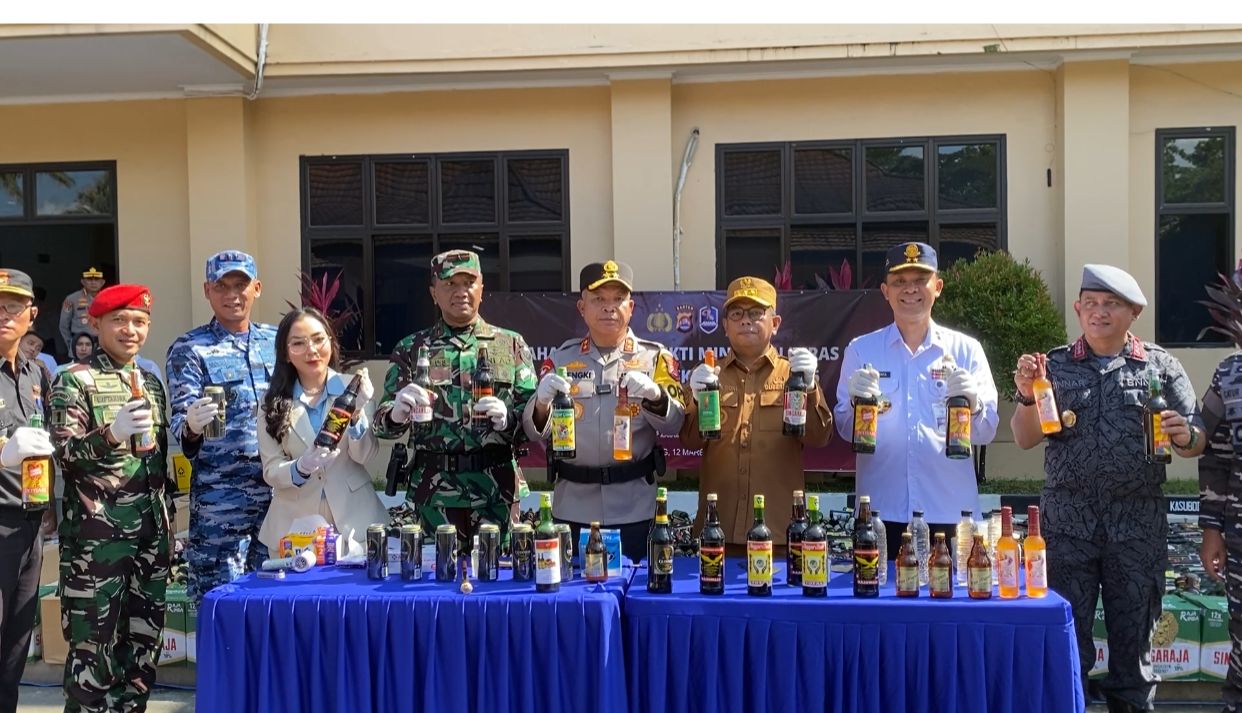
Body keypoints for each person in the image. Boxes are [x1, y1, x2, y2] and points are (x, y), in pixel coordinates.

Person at [1013, 264, 1202, 713]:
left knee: (1134, 656)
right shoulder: (1053, 366)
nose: (1099, 312)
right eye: (1091, 303)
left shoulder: (1160, 365)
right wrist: (1024, 394)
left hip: (1136, 531)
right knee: (1065, 648)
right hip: (1068, 531)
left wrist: (1184, 435)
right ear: (1078, 309)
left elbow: (1196, 438)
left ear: (1133, 312)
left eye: (1111, 304)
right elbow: (1024, 438)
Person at [49, 283, 175, 712]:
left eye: (139, 322)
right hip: (96, 541)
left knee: (141, 651)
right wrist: (111, 434)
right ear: (95, 323)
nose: (130, 330)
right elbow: (64, 454)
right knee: (93, 656)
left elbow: (156, 464)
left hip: (149, 539)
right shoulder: (74, 380)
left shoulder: (153, 383)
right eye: (119, 320)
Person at [834, 241, 999, 555]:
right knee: (879, 601)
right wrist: (857, 406)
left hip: (952, 512)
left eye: (919, 281)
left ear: (937, 287)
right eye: (899, 282)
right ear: (885, 291)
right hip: (881, 514)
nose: (909, 290)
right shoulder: (861, 350)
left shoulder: (966, 350)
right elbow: (844, 428)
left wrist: (972, 404)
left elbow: (987, 430)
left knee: (953, 602)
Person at [522, 260, 685, 562]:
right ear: (582, 308)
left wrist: (654, 394)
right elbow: (533, 431)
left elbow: (677, 423)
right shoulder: (561, 358)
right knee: (572, 600)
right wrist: (542, 402)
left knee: (636, 598)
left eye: (617, 299)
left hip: (634, 506)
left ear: (632, 307)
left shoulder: (656, 358)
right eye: (598, 299)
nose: (609, 308)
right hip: (572, 507)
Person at [375, 249, 536, 548]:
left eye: (469, 282)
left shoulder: (511, 344)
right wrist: (396, 414)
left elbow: (533, 419)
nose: (461, 292)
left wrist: (509, 418)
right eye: (450, 284)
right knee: (436, 584)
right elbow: (381, 425)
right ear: (433, 292)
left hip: (496, 492)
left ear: (482, 288)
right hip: (434, 494)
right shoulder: (412, 348)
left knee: (497, 582)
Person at [678, 276, 831, 548]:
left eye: (756, 313)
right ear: (725, 325)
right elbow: (690, 441)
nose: (745, 320)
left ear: (775, 323)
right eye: (736, 314)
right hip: (717, 531)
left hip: (781, 532)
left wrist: (809, 387)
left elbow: (820, 438)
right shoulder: (709, 376)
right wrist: (696, 397)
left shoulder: (793, 375)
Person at [165, 250, 276, 603]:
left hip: (278, 496)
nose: (232, 294)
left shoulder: (277, 342)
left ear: (257, 288)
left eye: (241, 284)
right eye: (221, 286)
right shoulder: (190, 348)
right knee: (220, 603)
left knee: (276, 596)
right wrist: (192, 427)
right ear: (206, 291)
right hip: (220, 502)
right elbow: (182, 420)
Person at [257, 308, 388, 558]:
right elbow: (271, 469)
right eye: (298, 343)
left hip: (356, 523)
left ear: (331, 341)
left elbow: (365, 456)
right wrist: (301, 467)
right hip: (295, 529)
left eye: (319, 339)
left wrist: (358, 411)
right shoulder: (271, 402)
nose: (311, 350)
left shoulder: (355, 387)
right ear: (285, 352)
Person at [0, 269, 55, 713]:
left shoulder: (37, 374)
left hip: (30, 523)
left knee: (16, 643)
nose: (3, 314)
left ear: (31, 314)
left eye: (13, 306)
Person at [57, 267, 105, 355]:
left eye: (97, 279)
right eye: (89, 279)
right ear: (83, 281)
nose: (93, 282)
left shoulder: (108, 298)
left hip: (101, 345)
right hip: (80, 346)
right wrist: (72, 344)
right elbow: (63, 325)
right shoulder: (71, 299)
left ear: (102, 282)